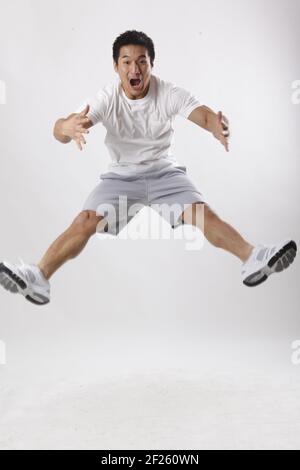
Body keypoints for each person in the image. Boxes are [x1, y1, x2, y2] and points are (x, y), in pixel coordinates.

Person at [0, 30, 297, 305]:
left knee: (202, 213)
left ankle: (254, 257)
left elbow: (204, 115)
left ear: (151, 64)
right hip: (120, 177)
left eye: (142, 61)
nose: (135, 69)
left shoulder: (168, 92)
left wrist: (217, 127)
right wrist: (67, 126)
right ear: (116, 66)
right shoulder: (106, 97)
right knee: (85, 221)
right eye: (126, 61)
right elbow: (61, 128)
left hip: (163, 173)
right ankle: (38, 277)